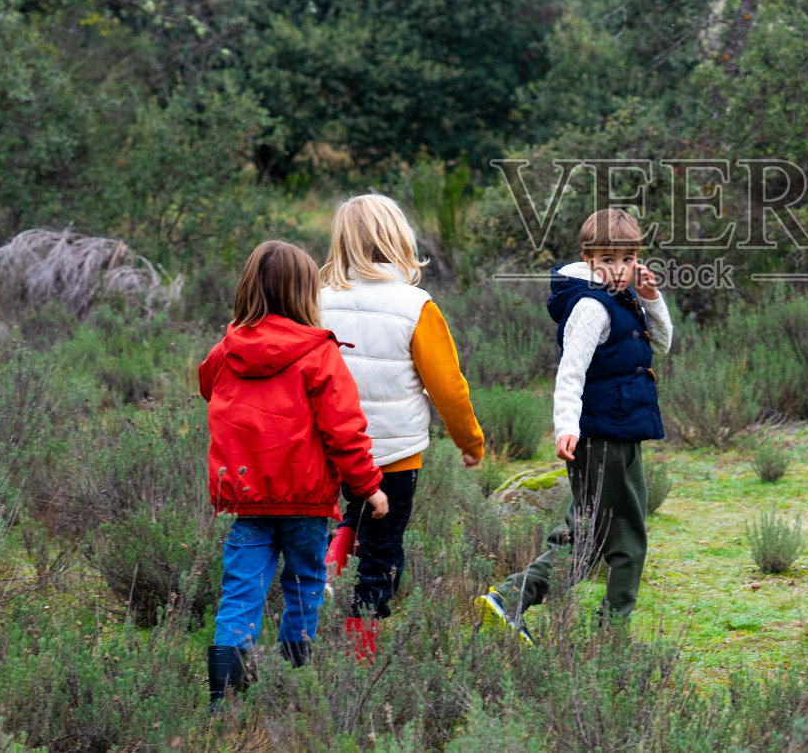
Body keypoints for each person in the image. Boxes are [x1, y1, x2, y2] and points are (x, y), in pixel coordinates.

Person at [201, 240, 388, 712]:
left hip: (248, 502)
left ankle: (225, 706)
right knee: (304, 588)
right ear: (307, 293)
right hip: (306, 505)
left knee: (239, 596)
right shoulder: (319, 354)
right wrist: (369, 488)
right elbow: (344, 431)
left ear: (249, 289)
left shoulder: (226, 351)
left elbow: (207, 384)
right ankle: (291, 684)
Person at [477, 208, 672, 643]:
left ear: (637, 256)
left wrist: (652, 299)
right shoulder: (591, 305)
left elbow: (663, 342)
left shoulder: (624, 297)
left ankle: (511, 600)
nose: (617, 269)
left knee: (590, 535)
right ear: (587, 258)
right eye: (606, 258)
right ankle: (608, 634)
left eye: (625, 259)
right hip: (601, 435)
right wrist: (567, 425)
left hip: (621, 430)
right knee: (626, 539)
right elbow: (571, 371)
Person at [318, 194, 485, 657]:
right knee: (382, 552)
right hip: (393, 454)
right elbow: (448, 388)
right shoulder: (416, 306)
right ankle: (359, 655)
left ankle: (326, 572)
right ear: (399, 240)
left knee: (353, 510)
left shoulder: (315, 298)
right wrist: (470, 442)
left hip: (330, 448)